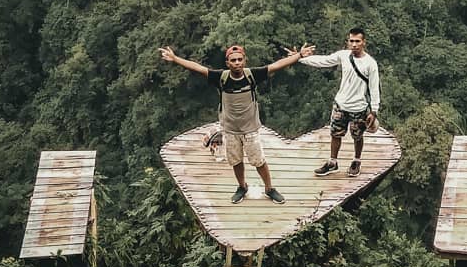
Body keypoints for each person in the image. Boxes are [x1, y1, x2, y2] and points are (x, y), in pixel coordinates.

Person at [159, 42, 315, 203]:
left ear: (245, 60)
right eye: (233, 60)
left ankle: (269, 188)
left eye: (240, 59)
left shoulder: (252, 75)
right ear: (227, 63)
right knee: (236, 161)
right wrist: (175, 59)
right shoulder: (222, 77)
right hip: (230, 129)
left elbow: (276, 65)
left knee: (259, 161)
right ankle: (242, 186)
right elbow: (198, 68)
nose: (237, 63)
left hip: (250, 129)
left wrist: (299, 55)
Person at [301, 28, 380, 177]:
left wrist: (374, 111)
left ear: (364, 42)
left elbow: (374, 88)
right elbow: (324, 61)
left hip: (359, 107)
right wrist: (300, 58)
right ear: (348, 41)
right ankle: (333, 162)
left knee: (357, 136)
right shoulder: (344, 56)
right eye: (351, 41)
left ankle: (356, 160)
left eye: (357, 41)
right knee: (335, 134)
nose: (354, 44)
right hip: (341, 104)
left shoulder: (370, 63)